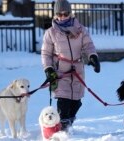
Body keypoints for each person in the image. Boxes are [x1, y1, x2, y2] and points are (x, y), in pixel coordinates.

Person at [41, 0, 100, 132]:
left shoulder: (80, 30)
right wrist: (48, 68)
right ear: (55, 14)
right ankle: (61, 129)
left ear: (70, 13)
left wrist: (93, 56)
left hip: (77, 70)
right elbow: (46, 53)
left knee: (76, 102)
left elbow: (88, 45)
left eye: (65, 13)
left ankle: (68, 123)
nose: (62, 16)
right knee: (63, 101)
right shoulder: (51, 32)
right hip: (60, 71)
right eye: (59, 14)